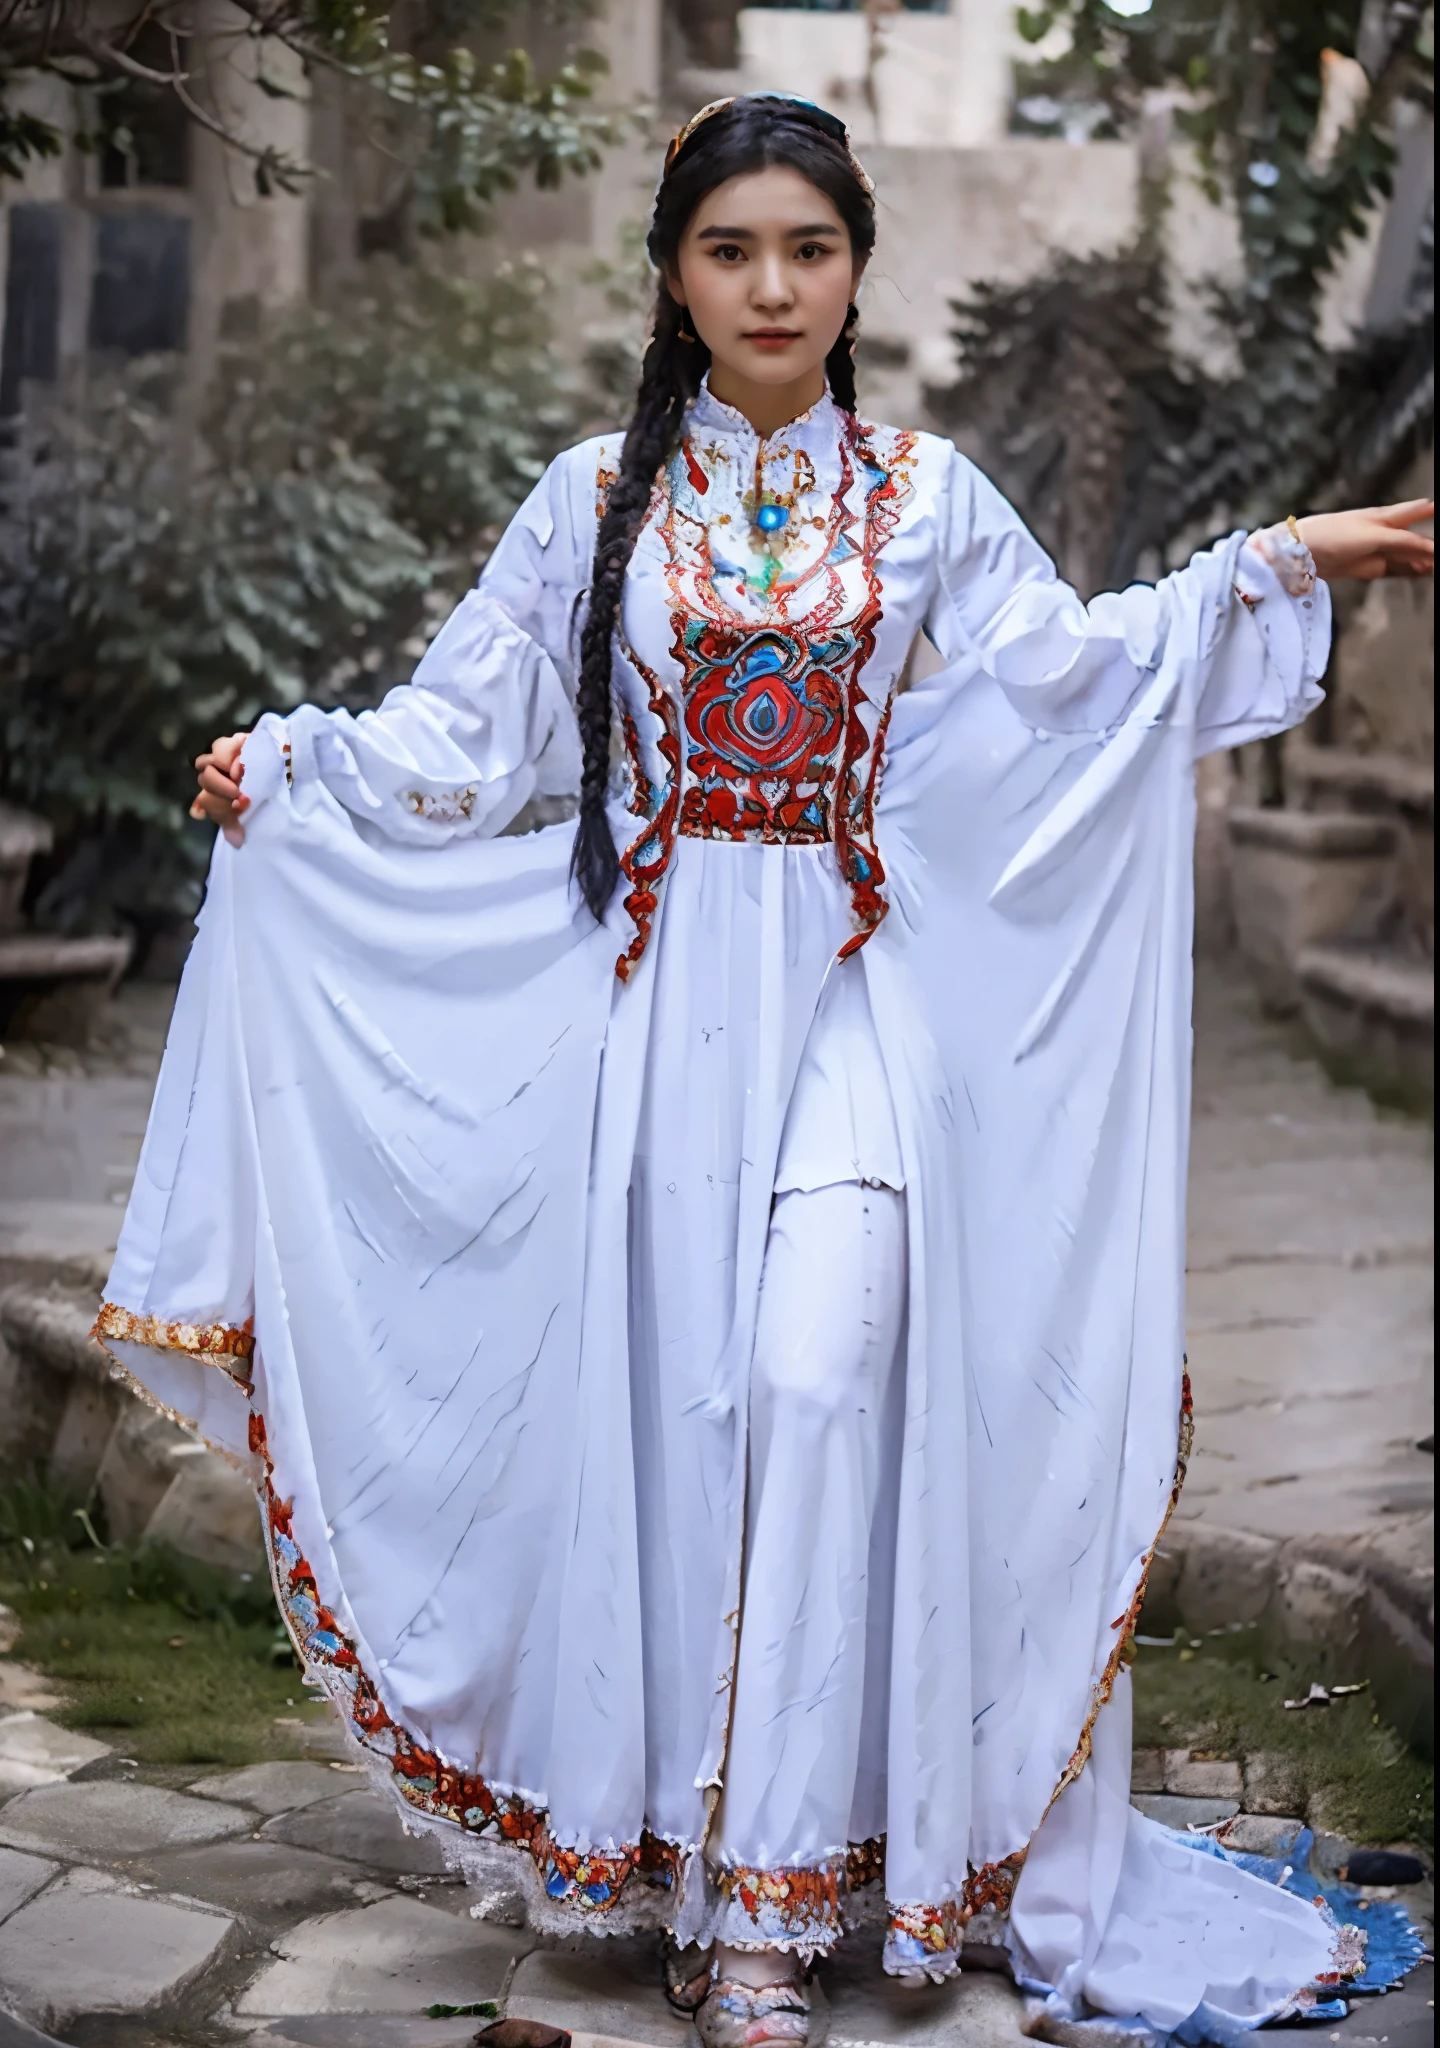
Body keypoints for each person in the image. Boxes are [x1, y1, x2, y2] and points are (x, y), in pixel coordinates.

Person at [100, 94, 1432, 2047]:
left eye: (808, 245)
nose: (773, 283)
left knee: (817, 1376)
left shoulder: (932, 498)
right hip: (650, 1032)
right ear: (675, 275)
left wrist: (1283, 566)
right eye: (732, 248)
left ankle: (783, 1909)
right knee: (684, 1422)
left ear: (856, 266)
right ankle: (691, 1864)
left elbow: (1073, 681)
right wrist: (298, 773)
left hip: (861, 1010)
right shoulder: (591, 506)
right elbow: (472, 733)